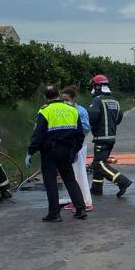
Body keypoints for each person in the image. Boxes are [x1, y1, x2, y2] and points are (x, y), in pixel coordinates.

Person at [26, 85, 87, 222]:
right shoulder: (72, 110)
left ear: (45, 96)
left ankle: (54, 214)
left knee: (50, 182)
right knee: (70, 179)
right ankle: (81, 209)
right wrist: (74, 150)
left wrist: (31, 151)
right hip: (67, 151)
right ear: (58, 94)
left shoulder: (45, 111)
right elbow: (80, 134)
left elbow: (39, 134)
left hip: (50, 152)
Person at [88, 73, 132, 198]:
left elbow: (92, 116)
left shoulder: (97, 101)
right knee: (99, 163)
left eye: (94, 86)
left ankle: (122, 181)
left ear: (98, 87)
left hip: (101, 138)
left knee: (99, 164)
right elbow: (118, 118)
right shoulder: (115, 101)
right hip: (111, 137)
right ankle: (96, 188)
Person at [59, 86, 93, 212]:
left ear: (74, 99)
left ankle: (86, 202)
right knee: (72, 176)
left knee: (80, 174)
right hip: (68, 146)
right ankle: (76, 200)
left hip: (78, 146)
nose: (65, 102)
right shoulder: (64, 111)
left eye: (67, 99)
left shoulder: (80, 111)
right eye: (62, 100)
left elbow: (85, 128)